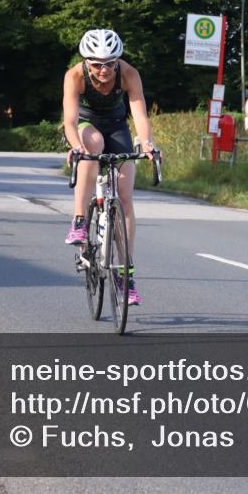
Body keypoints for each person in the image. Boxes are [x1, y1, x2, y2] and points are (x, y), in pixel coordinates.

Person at [62, 29, 155, 306]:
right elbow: (68, 120)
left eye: (110, 63)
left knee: (125, 196)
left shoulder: (128, 74)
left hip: (117, 126)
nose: (104, 70)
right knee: (94, 144)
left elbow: (139, 114)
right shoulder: (74, 76)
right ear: (86, 62)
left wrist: (148, 144)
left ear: (118, 60)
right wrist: (75, 145)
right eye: (97, 64)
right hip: (85, 126)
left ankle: (125, 276)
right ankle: (80, 220)